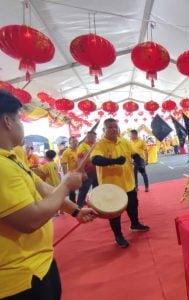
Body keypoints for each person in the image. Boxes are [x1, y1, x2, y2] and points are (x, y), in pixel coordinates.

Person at [0, 90, 96, 299]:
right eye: (19, 118)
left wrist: (75, 210)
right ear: (8, 121)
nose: (21, 125)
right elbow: (30, 220)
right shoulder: (1, 167)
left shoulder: (11, 158)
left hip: (37, 267)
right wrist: (66, 185)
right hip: (19, 280)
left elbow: (43, 189)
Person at [91, 118, 149, 248]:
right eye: (110, 127)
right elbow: (95, 159)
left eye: (115, 127)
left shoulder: (124, 141)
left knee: (133, 205)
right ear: (103, 130)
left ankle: (135, 224)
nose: (113, 129)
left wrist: (140, 162)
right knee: (114, 213)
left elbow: (135, 154)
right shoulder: (99, 144)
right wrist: (115, 161)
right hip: (111, 187)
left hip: (128, 182)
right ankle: (118, 235)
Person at [76, 131, 98, 207]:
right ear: (89, 137)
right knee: (84, 190)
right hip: (87, 172)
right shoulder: (82, 146)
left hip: (96, 171)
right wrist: (83, 172)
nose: (95, 138)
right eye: (94, 137)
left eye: (95, 137)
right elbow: (79, 160)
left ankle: (94, 203)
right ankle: (79, 206)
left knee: (96, 189)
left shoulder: (94, 145)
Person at [61, 136, 78, 203]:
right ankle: (72, 201)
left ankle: (81, 200)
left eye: (76, 141)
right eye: (73, 141)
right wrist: (66, 175)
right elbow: (64, 164)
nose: (75, 142)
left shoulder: (79, 150)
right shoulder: (66, 152)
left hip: (81, 172)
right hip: (72, 173)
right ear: (70, 143)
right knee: (72, 189)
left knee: (82, 188)